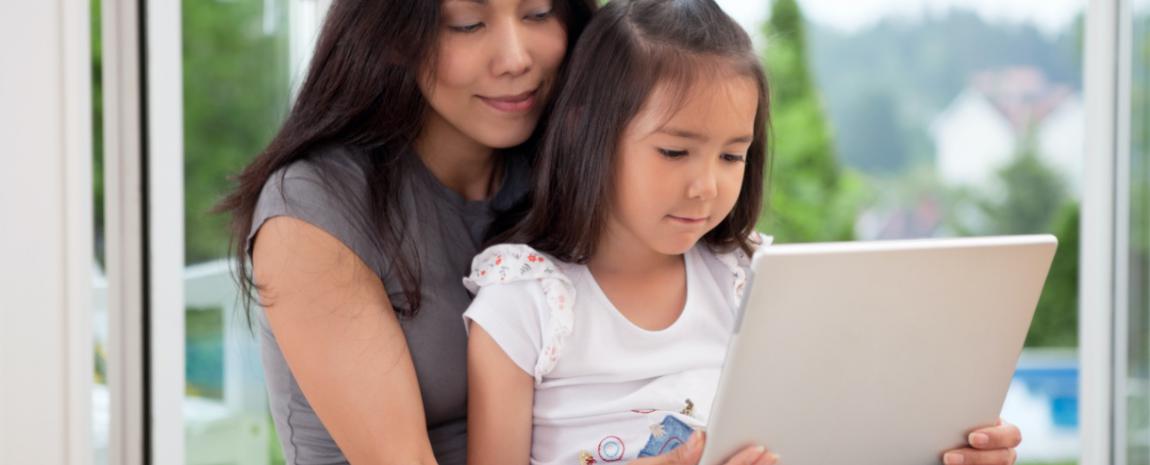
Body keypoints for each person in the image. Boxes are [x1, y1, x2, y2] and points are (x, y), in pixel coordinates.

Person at [461, 2, 1022, 465]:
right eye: (674, 151)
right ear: (588, 127)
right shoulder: (525, 298)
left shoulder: (751, 279)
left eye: (732, 155)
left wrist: (947, 450)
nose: (705, 185)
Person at [220, 0, 594, 463]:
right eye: (468, 24)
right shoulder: (314, 206)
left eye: (538, 14)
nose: (516, 59)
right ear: (395, 37)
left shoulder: (565, 173)